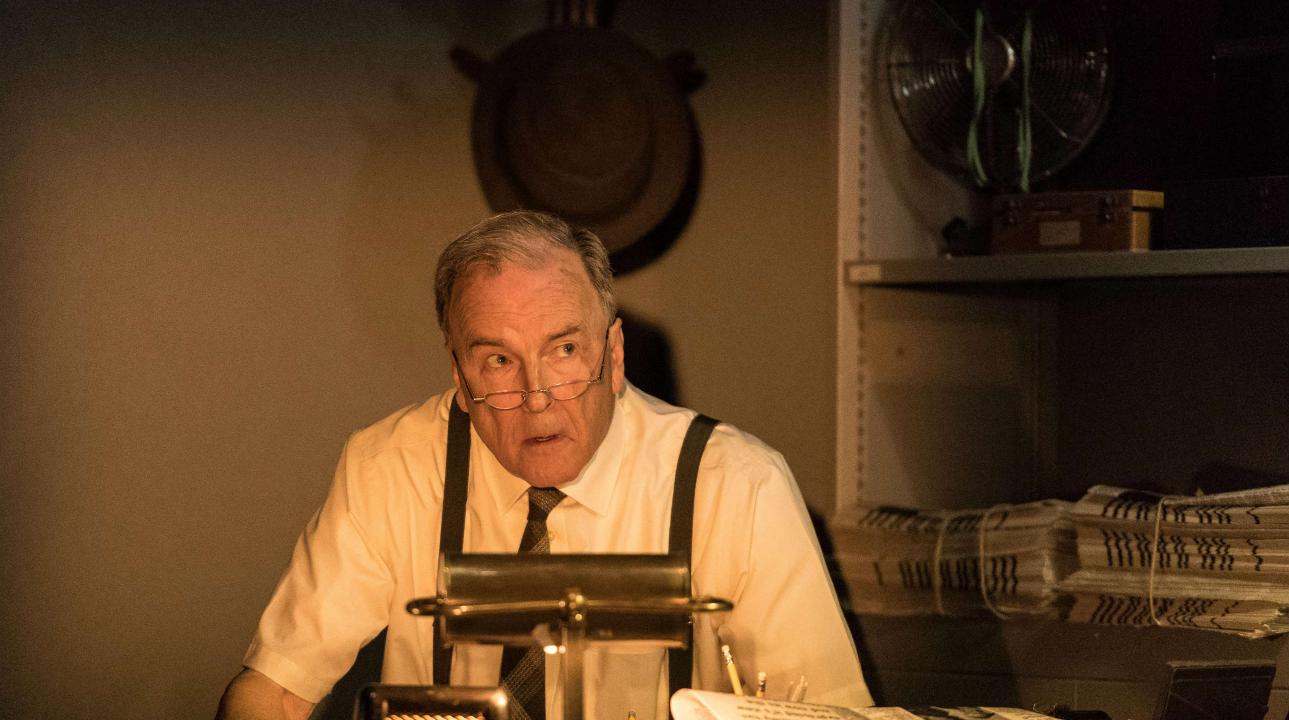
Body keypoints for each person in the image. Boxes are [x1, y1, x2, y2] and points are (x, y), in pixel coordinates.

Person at [216, 211, 871, 720]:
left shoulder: (738, 487)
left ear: (614, 356)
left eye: (563, 351)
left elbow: (824, 710)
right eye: (498, 361)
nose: (536, 398)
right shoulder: (389, 467)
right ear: (459, 378)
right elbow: (275, 692)